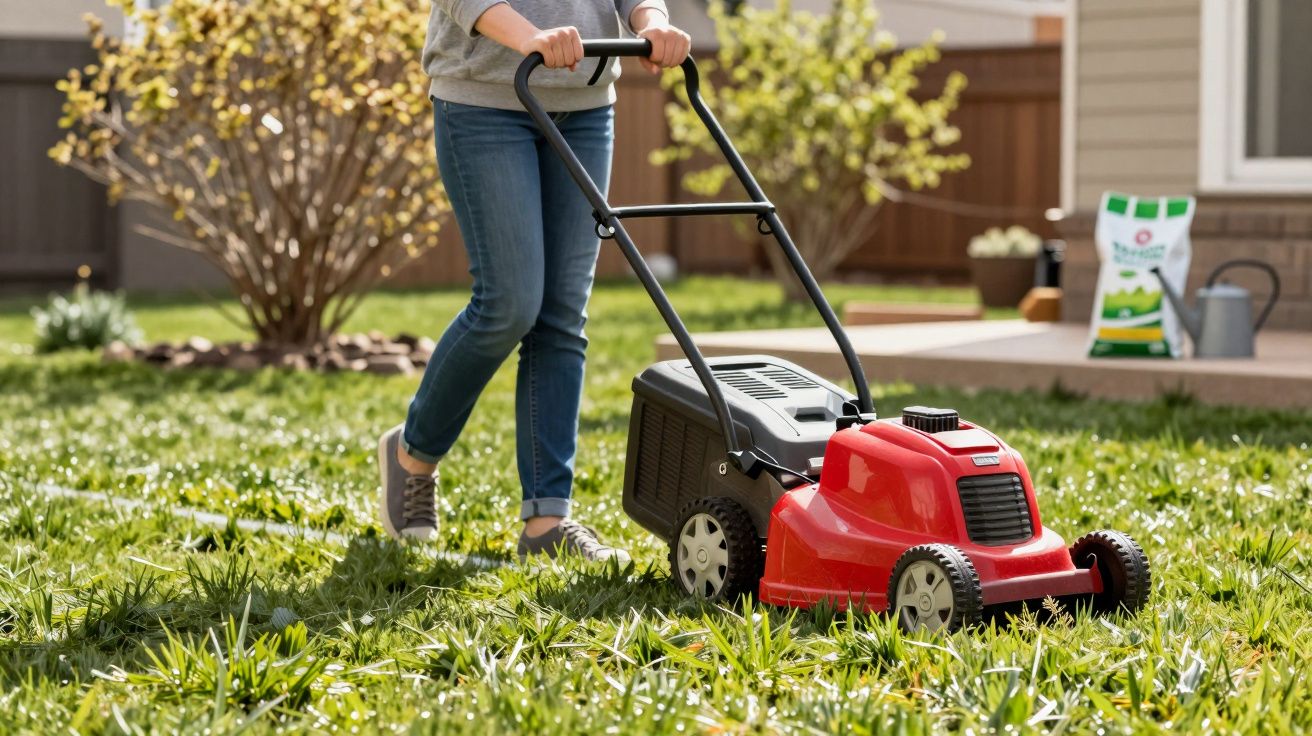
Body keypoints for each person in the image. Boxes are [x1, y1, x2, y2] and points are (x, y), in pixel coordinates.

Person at [377, 1, 691, 562]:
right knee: (509, 303)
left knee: (563, 313)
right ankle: (412, 455)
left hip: (588, 104)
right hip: (485, 101)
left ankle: (547, 519)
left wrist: (652, 21)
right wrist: (529, 35)